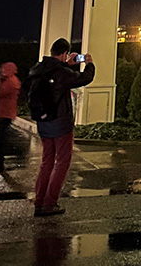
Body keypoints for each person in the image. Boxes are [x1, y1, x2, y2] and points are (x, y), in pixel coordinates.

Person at [26, 38, 94, 217]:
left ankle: (39, 201)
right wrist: (89, 63)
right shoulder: (61, 72)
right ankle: (50, 203)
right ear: (64, 54)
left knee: (47, 161)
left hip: (43, 122)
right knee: (62, 162)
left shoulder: (39, 69)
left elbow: (58, 80)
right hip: (61, 124)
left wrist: (67, 65)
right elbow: (84, 78)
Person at [0, 61, 21, 172]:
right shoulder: (11, 80)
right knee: (0, 137)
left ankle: (0, 164)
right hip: (5, 111)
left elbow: (0, 92)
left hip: (6, 112)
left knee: (1, 138)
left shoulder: (10, 81)